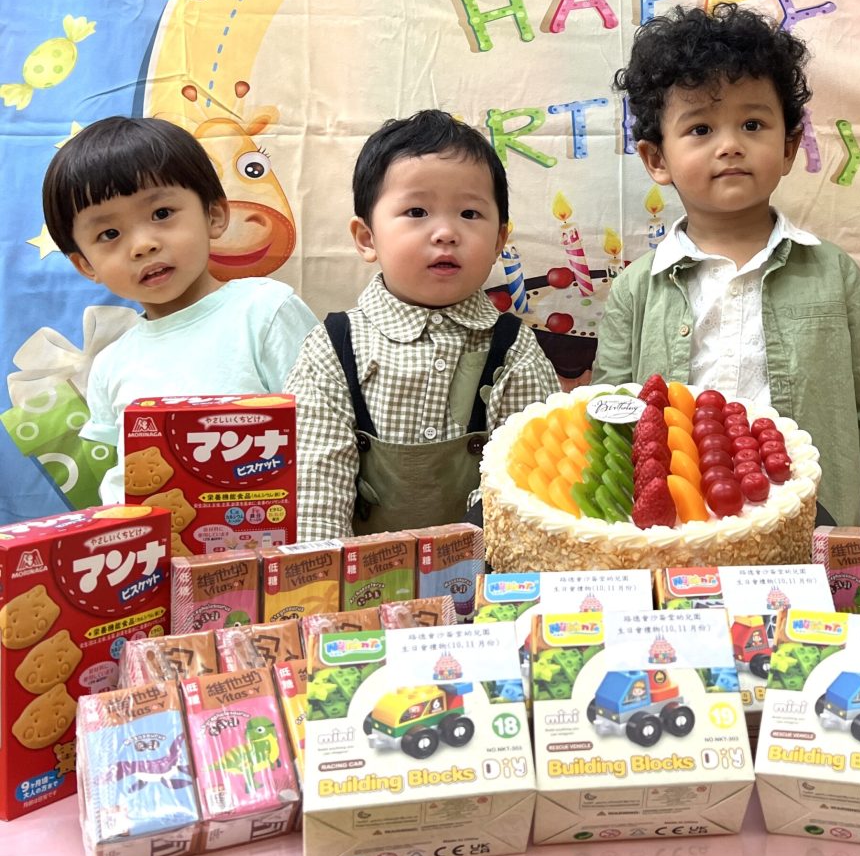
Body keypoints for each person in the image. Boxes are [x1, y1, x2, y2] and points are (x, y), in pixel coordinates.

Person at [592, 4, 860, 529]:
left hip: (813, 527)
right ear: (657, 159)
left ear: (789, 147)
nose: (730, 145)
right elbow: (608, 418)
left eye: (752, 124)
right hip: (680, 531)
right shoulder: (637, 288)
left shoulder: (833, 273)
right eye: (700, 129)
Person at [289, 110, 559, 540]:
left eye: (470, 213)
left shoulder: (514, 349)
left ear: (499, 241)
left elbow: (530, 487)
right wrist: (327, 575)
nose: (446, 232)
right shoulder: (334, 348)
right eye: (417, 211)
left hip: (486, 572)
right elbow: (314, 493)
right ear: (367, 238)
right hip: (358, 575)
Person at [43, 116, 318, 504]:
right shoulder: (110, 364)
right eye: (109, 234)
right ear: (86, 264)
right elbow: (123, 480)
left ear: (214, 216)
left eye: (161, 214)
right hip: (152, 541)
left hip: (271, 531)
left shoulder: (265, 310)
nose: (143, 245)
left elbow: (325, 432)